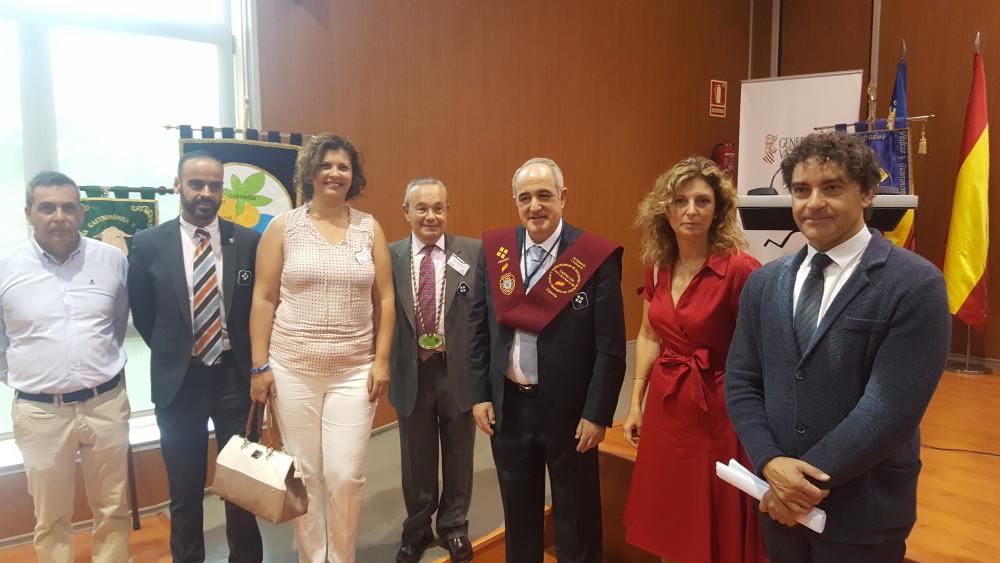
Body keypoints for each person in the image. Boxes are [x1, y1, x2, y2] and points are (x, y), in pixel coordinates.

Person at [725, 132, 951, 562]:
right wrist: (769, 461)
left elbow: (890, 408)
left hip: (863, 509)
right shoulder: (764, 283)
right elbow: (741, 381)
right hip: (777, 502)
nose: (813, 203)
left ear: (866, 193)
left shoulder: (915, 284)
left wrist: (800, 486)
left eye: (831, 187)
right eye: (801, 190)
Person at [468, 157, 626, 563]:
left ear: (563, 197)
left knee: (577, 512)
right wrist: (479, 394)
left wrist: (597, 413)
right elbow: (478, 329)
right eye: (525, 198)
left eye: (544, 195)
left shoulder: (594, 256)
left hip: (570, 410)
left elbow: (610, 346)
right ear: (515, 202)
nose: (535, 206)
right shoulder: (496, 251)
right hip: (509, 406)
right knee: (519, 512)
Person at [249, 133, 394, 563]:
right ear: (310, 172)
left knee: (345, 476)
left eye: (343, 167)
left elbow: (386, 299)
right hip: (292, 369)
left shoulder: (369, 228)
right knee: (305, 474)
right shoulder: (283, 227)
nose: (335, 173)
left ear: (354, 176)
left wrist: (381, 360)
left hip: (354, 372)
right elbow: (263, 298)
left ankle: (342, 558)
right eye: (326, 165)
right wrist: (260, 366)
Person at [622, 157, 765, 563]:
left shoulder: (740, 270)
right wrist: (635, 403)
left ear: (718, 211)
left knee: (716, 516)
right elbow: (649, 334)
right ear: (664, 211)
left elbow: (761, 351)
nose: (691, 210)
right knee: (670, 514)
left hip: (719, 406)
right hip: (667, 405)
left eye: (702, 201)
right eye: (680, 201)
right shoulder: (658, 266)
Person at [128, 151, 263, 563]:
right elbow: (144, 315)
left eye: (214, 185)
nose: (206, 193)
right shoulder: (148, 244)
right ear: (178, 186)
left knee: (242, 485)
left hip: (235, 380)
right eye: (196, 184)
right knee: (185, 490)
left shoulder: (248, 242)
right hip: (180, 382)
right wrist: (177, 352)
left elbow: (258, 309)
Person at [0, 171, 131, 563]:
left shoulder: (111, 260)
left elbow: (116, 324)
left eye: (68, 207)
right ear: (28, 213)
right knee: (51, 517)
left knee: (113, 507)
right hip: (40, 412)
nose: (59, 216)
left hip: (105, 404)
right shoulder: (6, 267)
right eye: (47, 208)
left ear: (81, 212)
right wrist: (31, 377)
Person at [389, 177, 480, 563]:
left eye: (438, 208)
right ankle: (417, 529)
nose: (430, 216)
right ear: (406, 211)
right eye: (422, 208)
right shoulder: (389, 256)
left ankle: (454, 526)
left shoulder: (473, 252)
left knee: (460, 451)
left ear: (448, 210)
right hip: (411, 372)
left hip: (456, 370)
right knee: (416, 457)